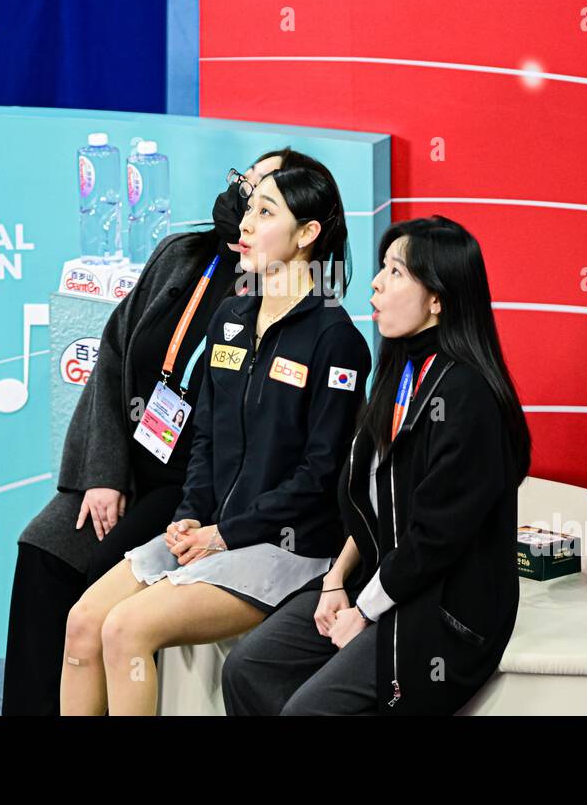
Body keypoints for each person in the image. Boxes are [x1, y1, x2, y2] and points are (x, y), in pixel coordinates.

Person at [58, 154, 371, 715]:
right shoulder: (229, 316)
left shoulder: (336, 340)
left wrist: (225, 533)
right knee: (83, 622)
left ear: (307, 234)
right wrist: (190, 515)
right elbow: (204, 437)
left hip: (285, 547)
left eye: (266, 212)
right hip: (213, 531)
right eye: (249, 209)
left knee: (125, 629)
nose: (245, 224)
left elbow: (321, 475)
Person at [0, 148, 300, 715]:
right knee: (42, 550)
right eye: (246, 185)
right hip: (131, 462)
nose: (247, 204)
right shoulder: (183, 254)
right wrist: (103, 473)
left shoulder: (282, 292)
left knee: (98, 578)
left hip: (193, 486)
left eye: (266, 197)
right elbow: (114, 355)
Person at [221, 215, 532, 715]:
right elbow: (366, 507)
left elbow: (435, 540)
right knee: (247, 666)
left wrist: (363, 610)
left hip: (443, 608)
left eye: (396, 272)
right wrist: (336, 581)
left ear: (438, 298)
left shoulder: (467, 394)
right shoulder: (399, 371)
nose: (376, 283)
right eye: (382, 268)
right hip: (383, 582)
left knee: (310, 710)